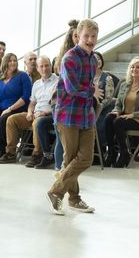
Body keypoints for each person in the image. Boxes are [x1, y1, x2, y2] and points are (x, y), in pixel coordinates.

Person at [47, 18, 99, 215]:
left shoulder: (93, 60)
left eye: (93, 36)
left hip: (87, 116)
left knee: (85, 158)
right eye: (86, 36)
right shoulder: (69, 58)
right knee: (70, 160)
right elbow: (72, 88)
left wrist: (91, 94)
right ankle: (74, 199)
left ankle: (55, 191)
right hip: (68, 116)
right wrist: (92, 91)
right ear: (78, 36)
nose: (90, 39)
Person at [0, 56, 58, 165]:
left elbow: (58, 104)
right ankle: (10, 153)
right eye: (41, 66)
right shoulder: (36, 84)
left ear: (51, 66)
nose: (44, 69)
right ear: (37, 68)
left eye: (47, 65)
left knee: (37, 122)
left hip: (49, 115)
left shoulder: (58, 81)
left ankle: (37, 154)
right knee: (11, 119)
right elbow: (32, 103)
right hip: (34, 113)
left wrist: (43, 113)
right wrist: (30, 112)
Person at [0, 53, 32, 160]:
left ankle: (6, 151)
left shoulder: (23, 76)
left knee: (4, 119)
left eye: (15, 60)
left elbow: (26, 96)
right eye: (10, 60)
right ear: (5, 62)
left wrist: (10, 109)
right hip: (0, 109)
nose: (13, 62)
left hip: (17, 109)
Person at [104, 57, 139, 168]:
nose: (134, 69)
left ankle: (124, 153)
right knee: (109, 118)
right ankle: (112, 152)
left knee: (118, 122)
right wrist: (117, 110)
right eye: (132, 67)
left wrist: (133, 115)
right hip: (124, 116)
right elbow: (119, 103)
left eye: (138, 67)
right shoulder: (124, 85)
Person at [52, 19, 79, 171]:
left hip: (75, 103)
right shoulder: (65, 57)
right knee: (61, 140)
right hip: (61, 102)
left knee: (71, 143)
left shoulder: (84, 55)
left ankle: (66, 174)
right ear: (71, 37)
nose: (78, 39)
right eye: (76, 36)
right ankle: (59, 170)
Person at [93, 51, 116, 158]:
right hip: (89, 109)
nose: (97, 61)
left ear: (101, 62)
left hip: (103, 109)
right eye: (94, 59)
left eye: (99, 59)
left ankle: (100, 150)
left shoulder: (107, 78)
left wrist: (99, 106)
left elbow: (109, 98)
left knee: (98, 123)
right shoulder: (86, 77)